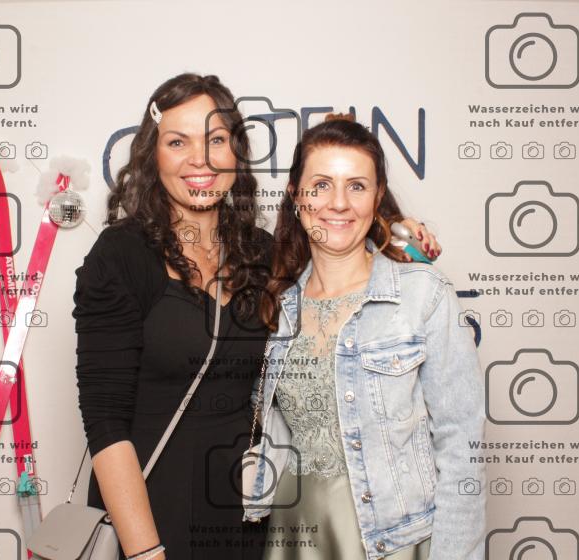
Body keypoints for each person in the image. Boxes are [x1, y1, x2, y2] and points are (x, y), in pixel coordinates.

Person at [72, 74, 442, 560]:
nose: (200, 159)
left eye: (216, 140)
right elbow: (105, 423)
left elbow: (339, 253)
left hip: (247, 519)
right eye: (178, 142)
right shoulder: (121, 255)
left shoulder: (264, 255)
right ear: (152, 154)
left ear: (237, 152)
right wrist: (145, 553)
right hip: (147, 515)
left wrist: (394, 230)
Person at [243, 115, 486, 560]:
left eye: (356, 186)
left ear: (377, 197)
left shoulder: (423, 295)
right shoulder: (276, 303)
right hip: (295, 533)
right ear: (296, 194)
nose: (338, 203)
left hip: (393, 540)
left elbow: (461, 447)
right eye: (321, 185)